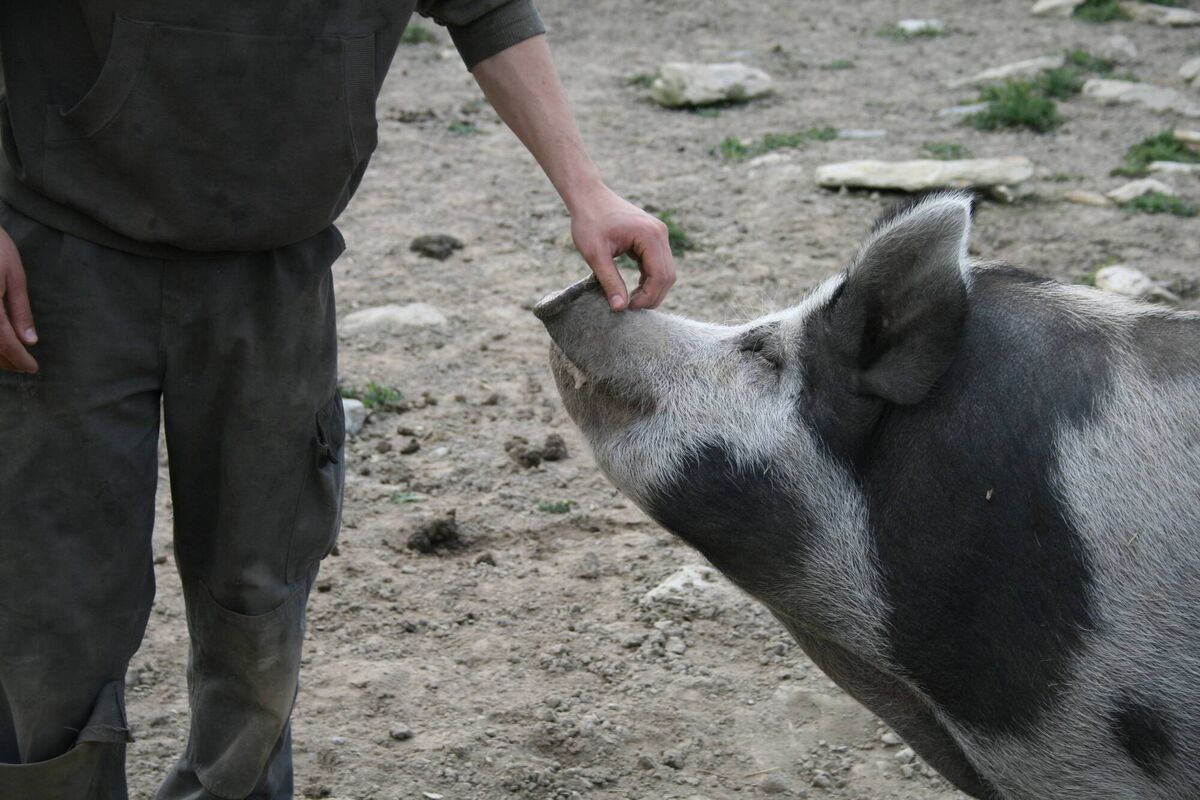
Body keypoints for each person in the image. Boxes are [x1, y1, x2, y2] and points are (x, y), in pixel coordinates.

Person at [0, 2, 675, 798]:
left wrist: (585, 188)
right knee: (53, 611)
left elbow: (486, 8)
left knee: (259, 595)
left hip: (276, 272)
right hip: (60, 266)